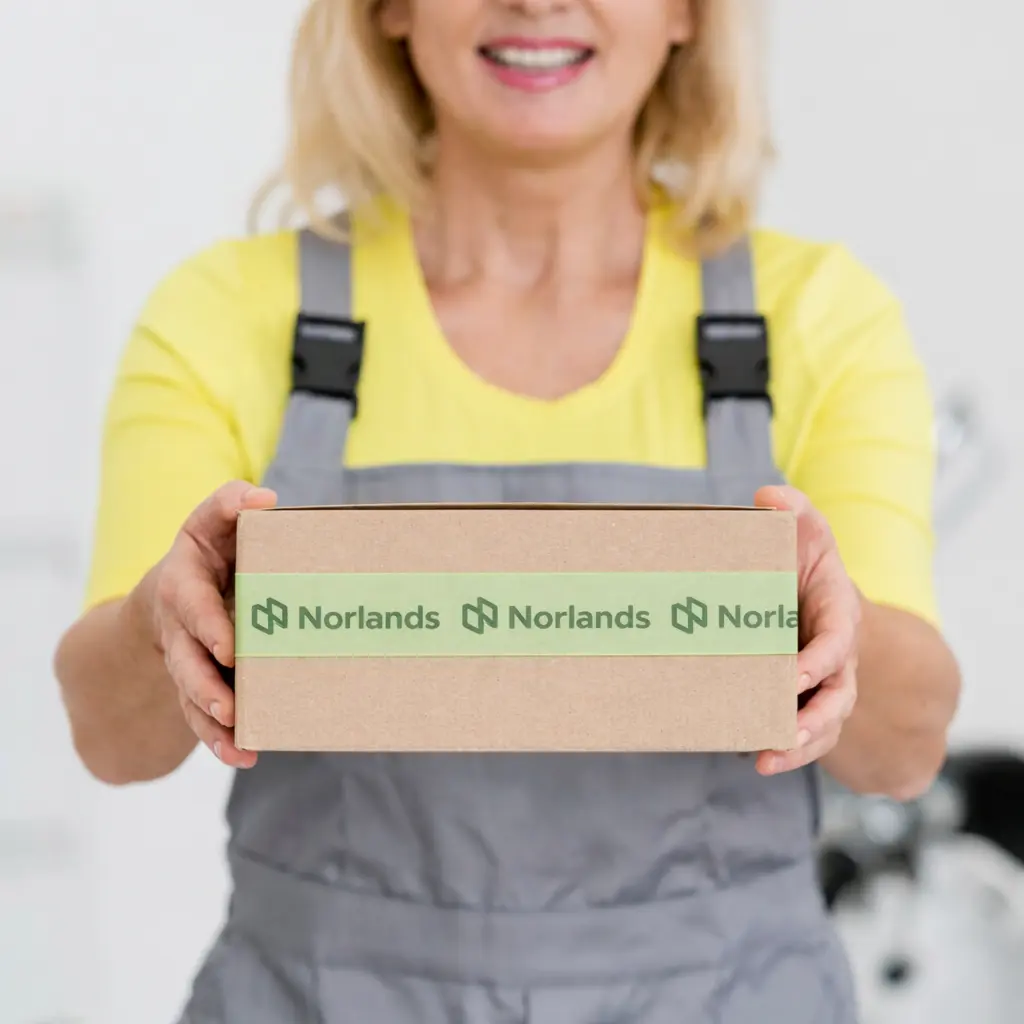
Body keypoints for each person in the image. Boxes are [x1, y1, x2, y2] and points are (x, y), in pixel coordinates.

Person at [53, 0, 962, 1020]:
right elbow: (111, 737)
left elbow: (903, 747)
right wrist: (158, 623)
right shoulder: (222, 315)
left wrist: (837, 642)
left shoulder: (821, 316)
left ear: (685, 15)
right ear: (389, 11)